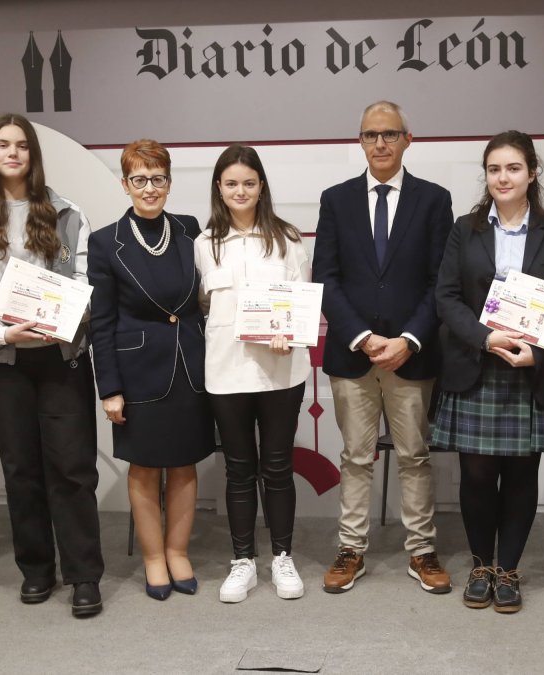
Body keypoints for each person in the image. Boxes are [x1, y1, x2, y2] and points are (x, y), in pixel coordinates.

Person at [0, 114, 104, 617]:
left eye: (21, 146)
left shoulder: (66, 213)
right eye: (2, 145)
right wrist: (2, 332)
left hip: (60, 358)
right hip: (1, 361)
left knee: (73, 470)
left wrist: (60, 322)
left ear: (33, 154)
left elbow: (85, 279)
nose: (12, 153)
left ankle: (83, 575)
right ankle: (36, 570)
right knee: (20, 470)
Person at [432, 131, 544, 613]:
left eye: (513, 168)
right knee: (476, 476)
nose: (503, 177)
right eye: (494, 169)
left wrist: (539, 353)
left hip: (531, 371)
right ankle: (480, 566)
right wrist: (484, 336)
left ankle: (509, 571)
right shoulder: (465, 228)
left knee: (521, 474)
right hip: (479, 364)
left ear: (531, 172)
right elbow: (446, 297)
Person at [312, 100, 455, 594]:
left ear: (407, 140)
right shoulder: (336, 199)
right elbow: (325, 277)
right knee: (355, 456)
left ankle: (422, 550)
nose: (380, 143)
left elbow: (441, 280)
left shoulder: (434, 200)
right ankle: (351, 549)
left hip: (411, 354)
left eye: (390, 134)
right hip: (353, 353)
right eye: (371, 135)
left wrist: (408, 340)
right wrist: (364, 337)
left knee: (414, 455)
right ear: (360, 141)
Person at [87, 139, 215, 601]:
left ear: (169, 182)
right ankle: (153, 558)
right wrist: (110, 389)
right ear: (125, 184)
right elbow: (102, 323)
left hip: (190, 368)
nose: (149, 188)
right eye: (139, 179)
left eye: (157, 178)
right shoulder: (105, 242)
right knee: (144, 469)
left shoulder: (189, 229)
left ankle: (178, 551)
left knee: (184, 464)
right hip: (137, 371)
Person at [194, 144, 311, 603]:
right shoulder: (205, 245)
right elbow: (203, 305)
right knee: (239, 470)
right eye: (231, 183)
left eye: (248, 182)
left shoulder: (287, 238)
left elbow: (302, 300)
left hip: (281, 371)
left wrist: (290, 331)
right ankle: (242, 560)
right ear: (219, 190)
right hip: (226, 372)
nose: (240, 191)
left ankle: (282, 557)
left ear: (261, 186)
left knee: (278, 467)